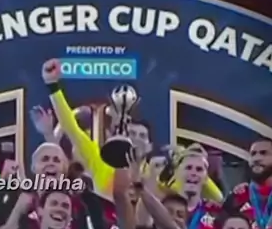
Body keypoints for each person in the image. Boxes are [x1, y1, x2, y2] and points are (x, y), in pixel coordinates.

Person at [41, 57, 223, 202]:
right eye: (132, 133)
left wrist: (196, 162)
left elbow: (216, 198)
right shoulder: (99, 162)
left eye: (142, 135)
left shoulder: (158, 174)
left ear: (149, 145)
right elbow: (70, 127)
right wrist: (53, 86)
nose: (136, 138)